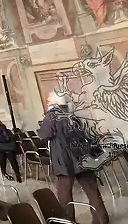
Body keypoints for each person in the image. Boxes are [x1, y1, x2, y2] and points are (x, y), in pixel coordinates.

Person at [39, 91, 109, 224]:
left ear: (56, 102)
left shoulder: (52, 116)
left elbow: (44, 135)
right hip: (83, 157)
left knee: (64, 195)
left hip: (65, 160)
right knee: (92, 191)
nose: (47, 99)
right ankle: (102, 220)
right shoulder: (74, 114)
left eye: (49, 98)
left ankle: (68, 221)